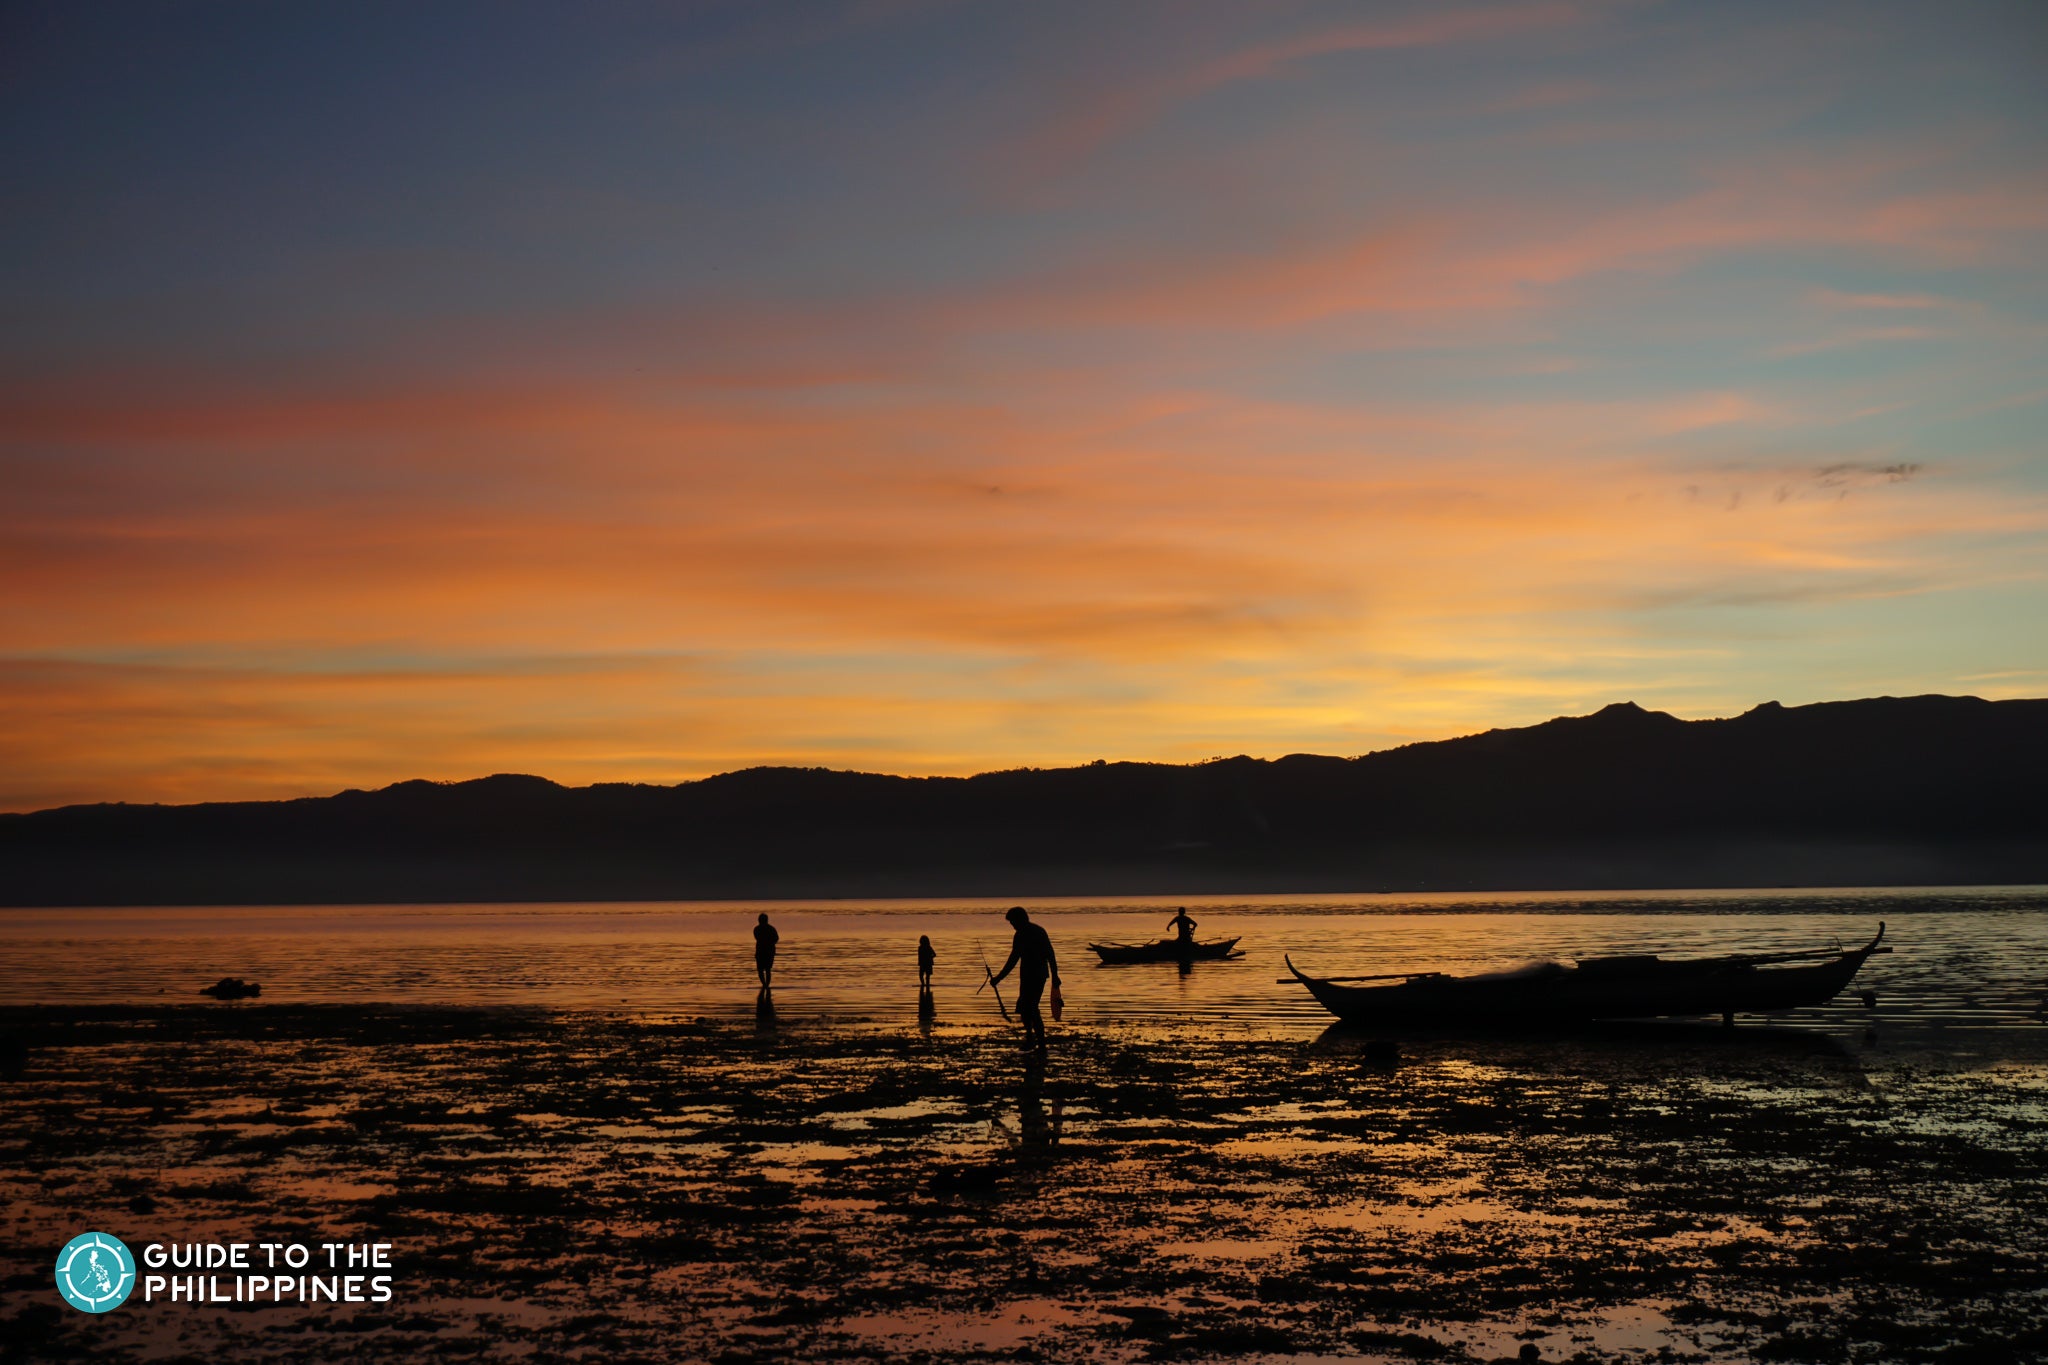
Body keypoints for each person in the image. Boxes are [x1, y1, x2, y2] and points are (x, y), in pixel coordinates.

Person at [989, 905, 1060, 1052]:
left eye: (1013, 922)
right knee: (1024, 1008)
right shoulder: (1031, 932)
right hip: (1029, 976)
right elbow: (1015, 958)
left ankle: (1040, 1043)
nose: (1012, 926)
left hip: (1036, 976)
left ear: (1019, 919)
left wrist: (1055, 976)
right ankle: (1031, 1039)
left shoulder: (1031, 933)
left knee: (1032, 1008)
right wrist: (999, 978)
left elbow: (1048, 955)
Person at [753, 913, 779, 989]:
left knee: (767, 969)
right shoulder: (757, 929)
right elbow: (758, 938)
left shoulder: (770, 929)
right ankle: (765, 985)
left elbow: (776, 939)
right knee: (761, 970)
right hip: (761, 951)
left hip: (768, 951)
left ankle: (766, 985)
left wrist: (769, 943)